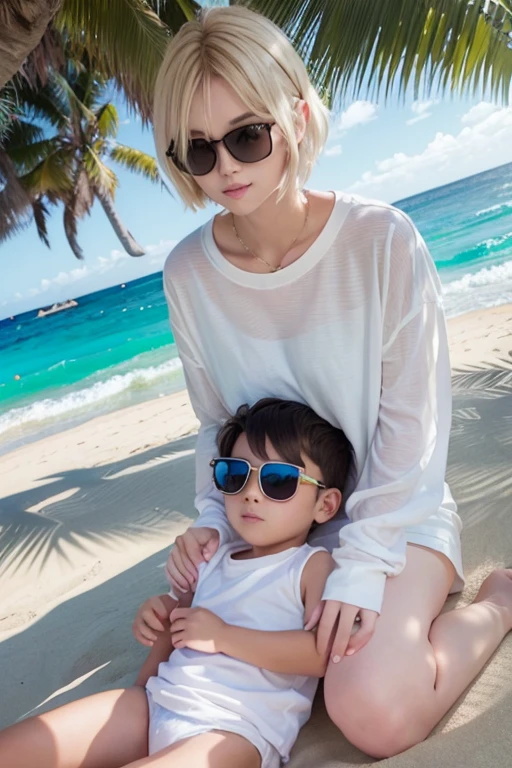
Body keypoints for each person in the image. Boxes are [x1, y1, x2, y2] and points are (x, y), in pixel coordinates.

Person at [151, 4, 512, 759]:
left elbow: (415, 428)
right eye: (199, 150)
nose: (227, 168)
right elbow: (213, 418)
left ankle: (496, 609)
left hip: (392, 513)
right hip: (271, 527)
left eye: (247, 135)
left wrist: (363, 562)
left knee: (371, 711)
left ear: (299, 114)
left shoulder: (381, 239)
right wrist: (211, 525)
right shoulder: (187, 272)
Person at [0, 398, 353, 768]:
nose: (251, 492)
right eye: (235, 474)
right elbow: (177, 626)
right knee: (19, 748)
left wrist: (222, 636)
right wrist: (160, 617)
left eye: (277, 480)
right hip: (156, 702)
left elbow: (318, 655)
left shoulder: (312, 566)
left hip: (233, 730)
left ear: (325, 505)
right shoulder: (213, 553)